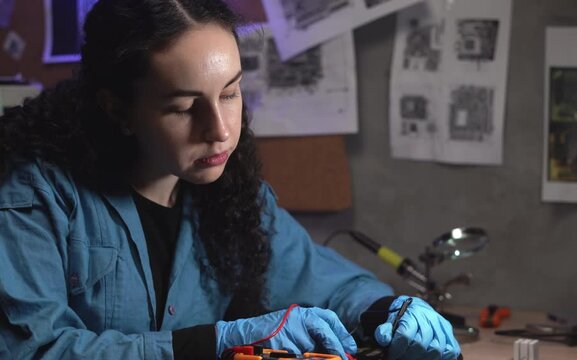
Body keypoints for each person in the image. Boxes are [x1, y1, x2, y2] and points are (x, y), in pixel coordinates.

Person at [0, 1, 460, 359]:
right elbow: (31, 350)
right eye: (183, 107)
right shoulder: (36, 195)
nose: (220, 130)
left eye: (231, 93)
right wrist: (213, 344)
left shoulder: (233, 197)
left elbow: (328, 283)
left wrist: (388, 311)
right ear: (117, 109)